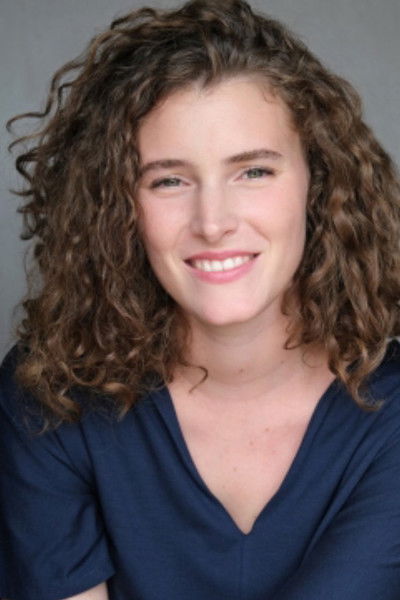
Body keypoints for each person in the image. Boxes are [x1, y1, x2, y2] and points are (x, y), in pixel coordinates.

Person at [1, 0, 400, 598]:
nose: (213, 222)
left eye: (254, 171)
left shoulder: (392, 413)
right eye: (169, 180)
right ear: (116, 209)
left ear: (318, 183)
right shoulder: (49, 397)